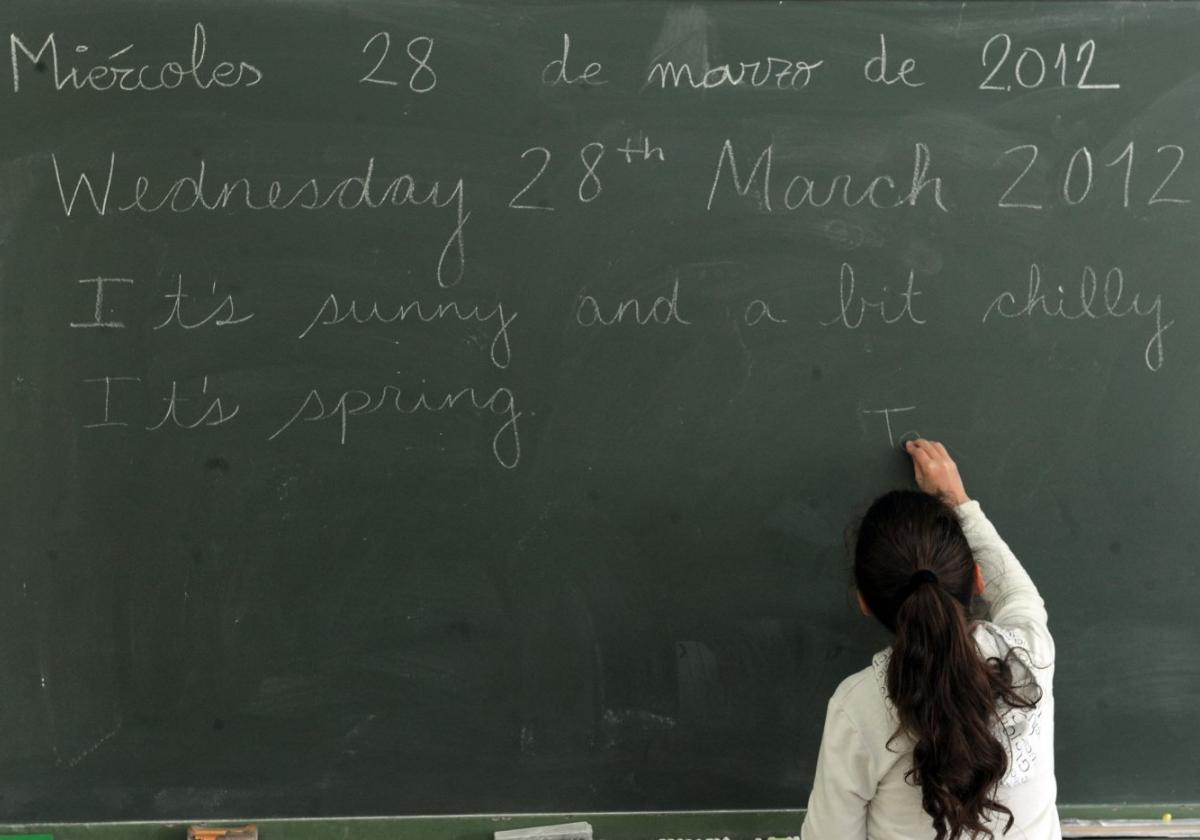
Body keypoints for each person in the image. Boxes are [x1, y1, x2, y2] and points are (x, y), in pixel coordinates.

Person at [801, 439, 1058, 840]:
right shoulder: (1029, 659)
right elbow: (1018, 596)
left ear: (864, 603)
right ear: (977, 578)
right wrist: (959, 502)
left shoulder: (858, 708)